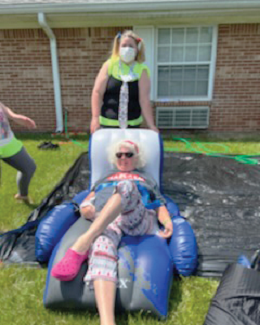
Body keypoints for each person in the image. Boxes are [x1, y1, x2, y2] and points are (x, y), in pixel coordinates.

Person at [51, 139, 173, 325]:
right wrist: (86, 208)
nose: (123, 158)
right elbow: (87, 201)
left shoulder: (145, 179)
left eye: (128, 154)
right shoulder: (105, 178)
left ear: (137, 158)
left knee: (126, 186)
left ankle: (84, 242)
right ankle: (107, 321)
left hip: (136, 218)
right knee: (101, 247)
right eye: (119, 154)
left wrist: (167, 221)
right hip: (106, 220)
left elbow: (158, 204)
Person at [90, 30, 159, 133]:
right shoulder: (109, 65)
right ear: (118, 48)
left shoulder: (142, 70)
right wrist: (95, 118)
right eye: (124, 45)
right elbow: (97, 92)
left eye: (131, 46)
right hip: (108, 124)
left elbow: (144, 100)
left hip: (132, 125)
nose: (127, 49)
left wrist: (151, 125)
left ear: (137, 49)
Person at [0, 101, 37, 203]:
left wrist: (15, 117)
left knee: (29, 167)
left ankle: (22, 195)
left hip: (7, 142)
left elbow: (3, 108)